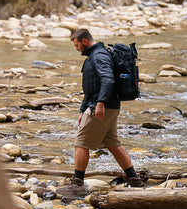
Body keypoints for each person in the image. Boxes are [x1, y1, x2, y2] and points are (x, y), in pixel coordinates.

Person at [60, 28, 143, 197]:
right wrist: (83, 110)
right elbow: (91, 88)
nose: (76, 49)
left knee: (81, 143)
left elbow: (108, 80)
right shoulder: (96, 55)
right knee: (113, 143)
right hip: (107, 106)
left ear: (84, 41)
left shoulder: (99, 56)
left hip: (102, 107)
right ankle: (134, 179)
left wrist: (100, 104)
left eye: (76, 45)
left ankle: (77, 184)